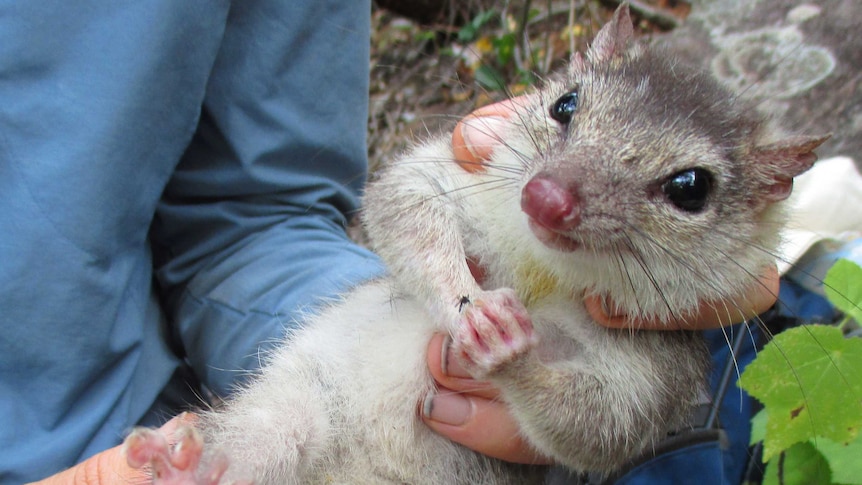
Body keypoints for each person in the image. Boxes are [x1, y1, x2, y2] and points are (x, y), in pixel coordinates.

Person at [0, 2, 779, 483]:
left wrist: (523, 375)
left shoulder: (664, 327)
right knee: (275, 426)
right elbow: (408, 199)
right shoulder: (511, 171)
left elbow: (253, 214)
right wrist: (456, 295)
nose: (552, 191)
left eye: (684, 189)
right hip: (247, 416)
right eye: (569, 109)